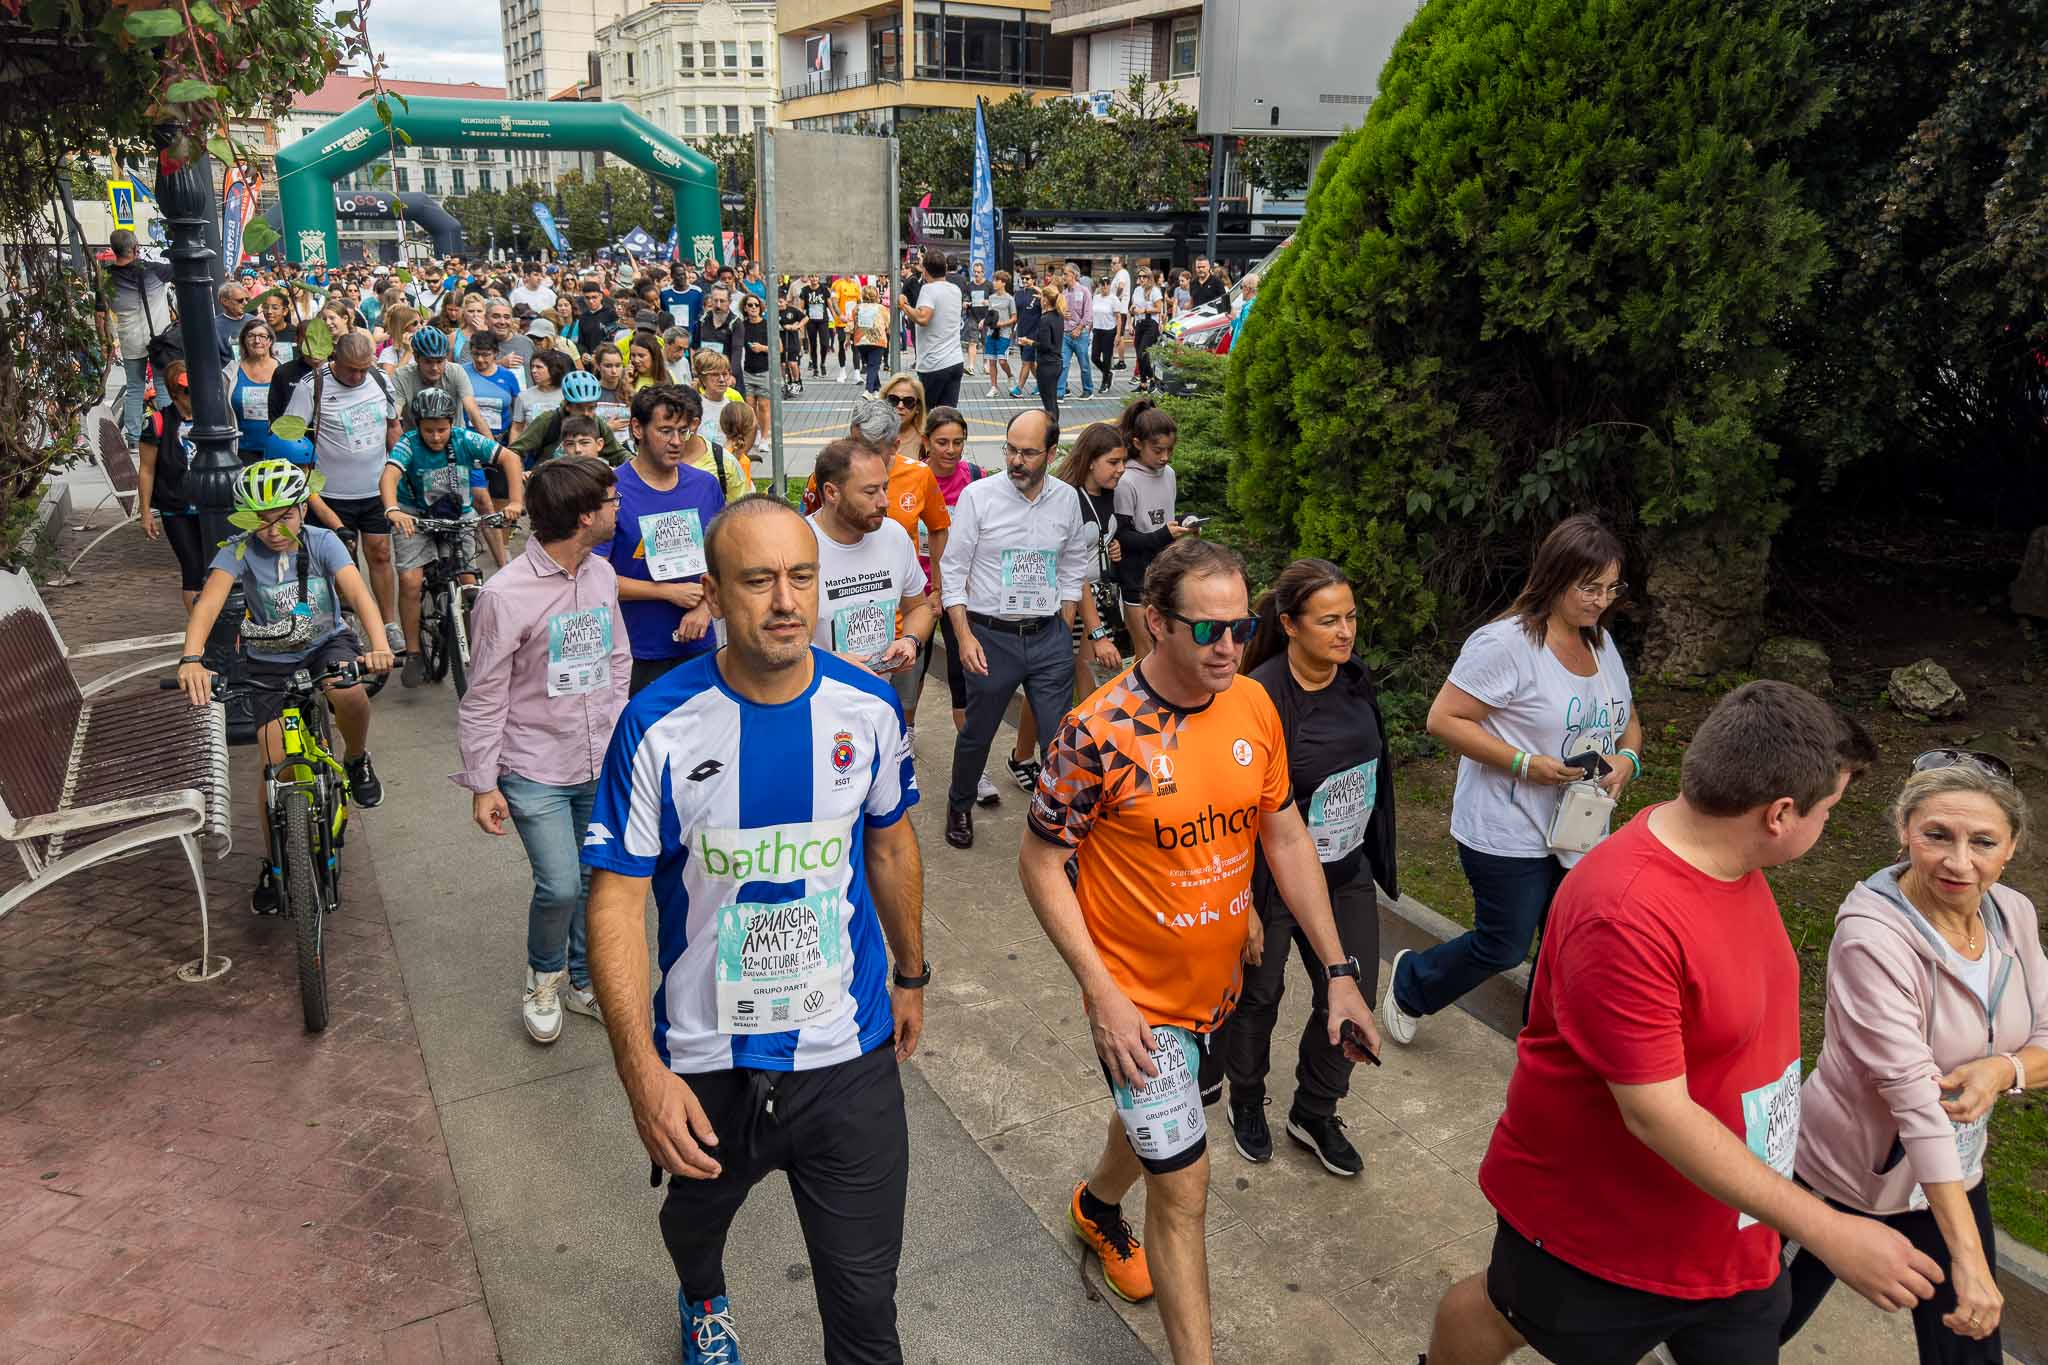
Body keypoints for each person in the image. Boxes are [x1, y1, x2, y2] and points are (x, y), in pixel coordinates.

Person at [1426, 681, 1946, 1365]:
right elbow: (1657, 1114)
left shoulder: (1735, 862)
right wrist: (1827, 1229)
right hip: (1603, 1229)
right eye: (1830, 810)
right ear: (1780, 813)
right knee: (1503, 1310)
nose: (1829, 827)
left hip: (1734, 1224)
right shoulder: (1627, 912)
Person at [581, 495, 927, 1365]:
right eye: (759, 579)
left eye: (801, 576)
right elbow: (617, 898)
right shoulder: (657, 723)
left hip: (845, 1055)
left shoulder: (869, 709)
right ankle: (703, 1297)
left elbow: (888, 843)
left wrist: (913, 973)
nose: (785, 600)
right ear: (715, 592)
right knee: (694, 1221)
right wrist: (640, 1069)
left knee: (865, 1308)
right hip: (708, 1061)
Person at [1020, 536, 1379, 1361]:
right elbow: (1040, 862)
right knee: (1184, 1191)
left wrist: (1339, 973)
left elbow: (1284, 832)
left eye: (1241, 625)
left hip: (1219, 984)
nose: (1229, 645)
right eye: (1208, 629)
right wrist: (1101, 992)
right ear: (1156, 623)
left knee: (1149, 1134)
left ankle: (1097, 1203)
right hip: (1139, 1004)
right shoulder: (1096, 732)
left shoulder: (1254, 705)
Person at [1782, 754, 2048, 1362]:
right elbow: (1915, 1099)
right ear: (1905, 831)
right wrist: (1971, 1259)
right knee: (1754, 1329)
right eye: (1937, 835)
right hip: (1841, 1179)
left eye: (1983, 841)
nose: (1960, 862)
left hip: (1948, 1178)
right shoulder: (1871, 939)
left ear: (2012, 846)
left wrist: (2003, 1070)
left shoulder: (2013, 915)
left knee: (1973, 1342)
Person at [1382, 514, 1644, 1048]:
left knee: (1565, 942)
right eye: (1588, 587)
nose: (1600, 601)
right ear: (1554, 577)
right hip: (1507, 826)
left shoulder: (1602, 644)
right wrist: (1527, 765)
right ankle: (1412, 982)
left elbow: (1628, 722)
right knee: (1504, 945)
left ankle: (1539, 1043)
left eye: (1610, 588)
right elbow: (1444, 718)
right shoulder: (1507, 644)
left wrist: (1628, 762)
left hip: (1577, 828)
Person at [1218, 559, 1399, 1177]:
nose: (1345, 632)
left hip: (1345, 871)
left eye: (1350, 617)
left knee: (1350, 995)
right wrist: (1241, 905)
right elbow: (1236, 805)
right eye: (1329, 621)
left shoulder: (1356, 679)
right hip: (1270, 880)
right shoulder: (1260, 695)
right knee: (1258, 999)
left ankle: (1315, 1111)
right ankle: (1247, 1101)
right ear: (1290, 624)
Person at [456, 455, 632, 1043]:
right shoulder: (505, 596)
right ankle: (544, 975)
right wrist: (483, 783)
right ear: (584, 516)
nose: (618, 505)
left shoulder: (602, 575)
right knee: (559, 883)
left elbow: (616, 658)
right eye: (609, 499)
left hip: (598, 757)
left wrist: (615, 729)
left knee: (592, 876)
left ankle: (585, 979)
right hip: (534, 765)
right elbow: (483, 695)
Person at [175, 461, 395, 916]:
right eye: (262, 517)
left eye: (285, 515)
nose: (275, 529)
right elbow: (209, 601)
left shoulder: (322, 542)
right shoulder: (237, 549)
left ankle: (355, 758)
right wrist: (191, 658)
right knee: (273, 763)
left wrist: (377, 645)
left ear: (302, 509)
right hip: (268, 658)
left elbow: (358, 596)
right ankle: (275, 863)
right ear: (246, 517)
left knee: (349, 692)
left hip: (324, 644)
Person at [936, 408, 1094, 849]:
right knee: (977, 733)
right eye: (1010, 449)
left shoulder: (1066, 498)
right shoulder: (979, 497)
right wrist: (964, 636)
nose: (1016, 461)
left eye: (1027, 452)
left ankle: (1057, 820)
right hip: (990, 638)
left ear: (1050, 452)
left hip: (1048, 638)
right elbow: (953, 570)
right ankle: (960, 804)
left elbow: (1073, 561)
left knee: (1059, 737)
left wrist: (1064, 618)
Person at [380, 388, 525, 687]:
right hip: (414, 517)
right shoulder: (408, 444)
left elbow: (510, 459)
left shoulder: (464, 439)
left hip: (459, 516)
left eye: (442, 429)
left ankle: (482, 649)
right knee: (409, 580)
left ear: (452, 423)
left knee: (470, 584)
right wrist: (393, 509)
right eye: (429, 430)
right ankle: (414, 653)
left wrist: (515, 502)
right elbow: (390, 475)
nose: (436, 436)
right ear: (417, 425)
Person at [283, 330, 405, 654]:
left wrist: (400, 471)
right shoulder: (313, 386)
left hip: (375, 488)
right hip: (332, 495)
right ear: (335, 358)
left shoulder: (379, 380)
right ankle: (347, 623)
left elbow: (394, 427)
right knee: (342, 564)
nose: (358, 376)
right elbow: (291, 440)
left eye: (364, 368)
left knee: (380, 554)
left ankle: (388, 623)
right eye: (352, 369)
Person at [602, 384, 727, 695]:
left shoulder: (705, 486)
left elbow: (727, 563)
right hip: (634, 652)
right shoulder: (609, 491)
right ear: (637, 429)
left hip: (699, 648)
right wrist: (666, 592)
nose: (676, 442)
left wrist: (704, 610)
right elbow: (595, 579)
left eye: (683, 432)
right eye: (665, 430)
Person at [903, 412, 994, 813]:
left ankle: (976, 768)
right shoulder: (912, 479)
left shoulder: (976, 477)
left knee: (965, 675)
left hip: (962, 594)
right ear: (926, 441)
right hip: (918, 592)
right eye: (942, 442)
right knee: (913, 672)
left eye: (958, 442)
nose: (950, 450)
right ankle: (902, 746)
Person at [808, 438, 934, 721]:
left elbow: (919, 607)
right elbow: (767, 640)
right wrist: (828, 664)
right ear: (831, 492)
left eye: (885, 488)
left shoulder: (894, 536)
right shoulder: (798, 544)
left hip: (878, 702)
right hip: (816, 706)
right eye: (870, 492)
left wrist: (911, 641)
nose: (884, 502)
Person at [1112, 398, 1184, 662]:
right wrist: (1164, 535)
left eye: (1169, 450)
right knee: (1146, 653)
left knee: (1165, 650)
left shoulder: (1169, 474)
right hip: (1136, 580)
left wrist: (1184, 526)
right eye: (1157, 450)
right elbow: (1123, 536)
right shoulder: (1126, 480)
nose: (1164, 457)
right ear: (1137, 444)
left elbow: (1167, 516)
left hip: (1166, 573)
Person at [135, 361, 207, 611]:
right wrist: (145, 512)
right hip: (177, 507)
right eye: (187, 390)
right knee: (192, 567)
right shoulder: (158, 422)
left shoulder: (212, 419)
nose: (193, 396)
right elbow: (146, 470)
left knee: (217, 566)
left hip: (209, 505)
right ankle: (199, 629)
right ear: (175, 392)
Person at [100, 227, 177, 446]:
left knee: (134, 387)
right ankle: (167, 433)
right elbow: (181, 269)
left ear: (114, 250)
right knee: (162, 385)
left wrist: (105, 341)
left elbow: (100, 314)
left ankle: (133, 437)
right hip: (159, 339)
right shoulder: (153, 270)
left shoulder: (106, 279)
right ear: (135, 249)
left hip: (129, 339)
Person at [392, 325, 492, 437]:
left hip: (453, 439)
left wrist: (494, 449)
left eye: (439, 361)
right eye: (428, 362)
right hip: (416, 441)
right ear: (416, 358)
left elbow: (473, 412)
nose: (435, 367)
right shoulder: (402, 376)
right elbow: (394, 419)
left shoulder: (456, 371)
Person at [903, 249, 965, 410]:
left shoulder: (928, 289)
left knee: (923, 413)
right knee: (948, 414)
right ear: (945, 267)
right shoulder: (955, 289)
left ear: (925, 270)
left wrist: (904, 306)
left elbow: (923, 318)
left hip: (934, 363)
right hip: (955, 360)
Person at [227, 319, 279, 462]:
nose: (257, 341)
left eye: (262, 336)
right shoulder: (230, 373)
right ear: (244, 341)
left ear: (270, 341)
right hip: (243, 450)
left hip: (280, 447)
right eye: (251, 336)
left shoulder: (284, 370)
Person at [464, 331, 524, 443]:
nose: (480, 359)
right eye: (476, 354)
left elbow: (519, 412)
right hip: (468, 440)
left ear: (496, 353)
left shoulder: (508, 376)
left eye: (486, 355)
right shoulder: (461, 373)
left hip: (501, 440)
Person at [510, 350, 571, 446]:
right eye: (532, 367)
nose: (533, 371)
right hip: (531, 451)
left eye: (539, 367)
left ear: (553, 369)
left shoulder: (567, 394)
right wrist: (513, 453)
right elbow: (516, 428)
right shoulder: (523, 396)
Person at [692, 349, 744, 453]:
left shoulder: (734, 407)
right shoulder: (693, 406)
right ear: (702, 378)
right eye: (715, 374)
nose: (721, 379)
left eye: (725, 374)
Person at [737, 292, 773, 435]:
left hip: (764, 371)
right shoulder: (741, 326)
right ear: (745, 308)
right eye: (750, 305)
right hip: (747, 371)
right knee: (749, 407)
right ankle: (755, 433)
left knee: (764, 406)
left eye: (756, 305)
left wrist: (762, 348)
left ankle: (764, 437)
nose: (753, 308)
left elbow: (779, 348)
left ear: (761, 307)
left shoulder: (766, 325)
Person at [1058, 263, 1093, 401]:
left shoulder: (1084, 291)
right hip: (1065, 334)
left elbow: (1088, 313)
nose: (1063, 276)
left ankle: (1088, 390)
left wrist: (1079, 328)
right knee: (1063, 364)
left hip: (1080, 334)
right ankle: (1059, 392)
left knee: (1084, 364)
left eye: (1065, 274)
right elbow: (1060, 311)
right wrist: (1062, 314)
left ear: (1074, 275)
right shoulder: (1064, 293)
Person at [1029, 284, 1064, 422]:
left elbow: (1045, 346)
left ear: (1045, 300)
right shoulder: (1058, 316)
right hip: (1056, 363)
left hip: (1046, 365)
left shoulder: (1045, 319)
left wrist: (1029, 342)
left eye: (1042, 297)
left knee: (1048, 403)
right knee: (1052, 401)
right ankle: (1055, 428)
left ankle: (1052, 431)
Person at [1129, 268, 1163, 394]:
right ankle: (1143, 383)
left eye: (1144, 276)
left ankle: (1154, 378)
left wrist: (1144, 310)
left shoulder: (1155, 291)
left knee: (1144, 352)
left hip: (1150, 324)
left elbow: (1159, 309)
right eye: (1139, 276)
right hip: (1139, 323)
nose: (1141, 279)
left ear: (1149, 278)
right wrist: (1132, 310)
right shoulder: (1137, 290)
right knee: (1139, 354)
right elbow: (1133, 307)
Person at [851, 285, 890, 395]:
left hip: (860, 341)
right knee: (874, 365)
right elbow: (888, 322)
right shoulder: (881, 308)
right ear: (876, 295)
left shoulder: (857, 308)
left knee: (871, 365)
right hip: (877, 340)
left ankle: (877, 389)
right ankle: (868, 390)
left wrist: (847, 338)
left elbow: (851, 323)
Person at [1090, 275, 1124, 395]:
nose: (1104, 286)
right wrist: (1090, 329)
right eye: (1102, 284)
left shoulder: (1113, 299)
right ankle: (1108, 373)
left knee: (1106, 358)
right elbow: (1092, 315)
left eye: (1107, 284)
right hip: (1097, 330)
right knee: (1094, 357)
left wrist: (1118, 335)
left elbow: (1118, 318)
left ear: (1110, 285)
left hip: (1109, 331)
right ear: (1099, 285)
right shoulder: (1096, 297)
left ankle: (1105, 382)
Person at [1011, 270, 1042, 400]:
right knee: (1030, 362)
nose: (1024, 281)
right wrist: (1014, 330)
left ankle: (1019, 388)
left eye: (1027, 279)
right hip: (1022, 331)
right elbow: (1015, 313)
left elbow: (1051, 302)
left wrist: (1037, 290)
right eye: (1022, 278)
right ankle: (1042, 384)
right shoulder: (1018, 294)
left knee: (1026, 361)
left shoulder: (1039, 293)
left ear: (1033, 280)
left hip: (1034, 332)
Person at [695, 285, 740, 365]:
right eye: (715, 301)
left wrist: (730, 374)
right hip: (704, 369)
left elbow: (737, 353)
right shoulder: (702, 320)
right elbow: (694, 347)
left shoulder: (735, 323)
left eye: (722, 301)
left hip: (724, 371)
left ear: (729, 302)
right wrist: (694, 368)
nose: (718, 305)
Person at [486, 299, 536, 368]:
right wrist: (500, 364)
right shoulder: (475, 343)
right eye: (496, 317)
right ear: (486, 319)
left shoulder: (526, 342)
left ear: (512, 320)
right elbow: (468, 374)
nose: (502, 322)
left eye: (507, 317)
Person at [779, 289, 806, 397]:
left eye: (780, 301)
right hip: (780, 342)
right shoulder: (773, 312)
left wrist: (797, 326)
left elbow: (805, 318)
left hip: (792, 341)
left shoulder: (792, 311)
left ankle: (797, 381)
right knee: (783, 364)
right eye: (776, 302)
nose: (778, 304)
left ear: (786, 301)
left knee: (792, 363)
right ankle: (787, 382)